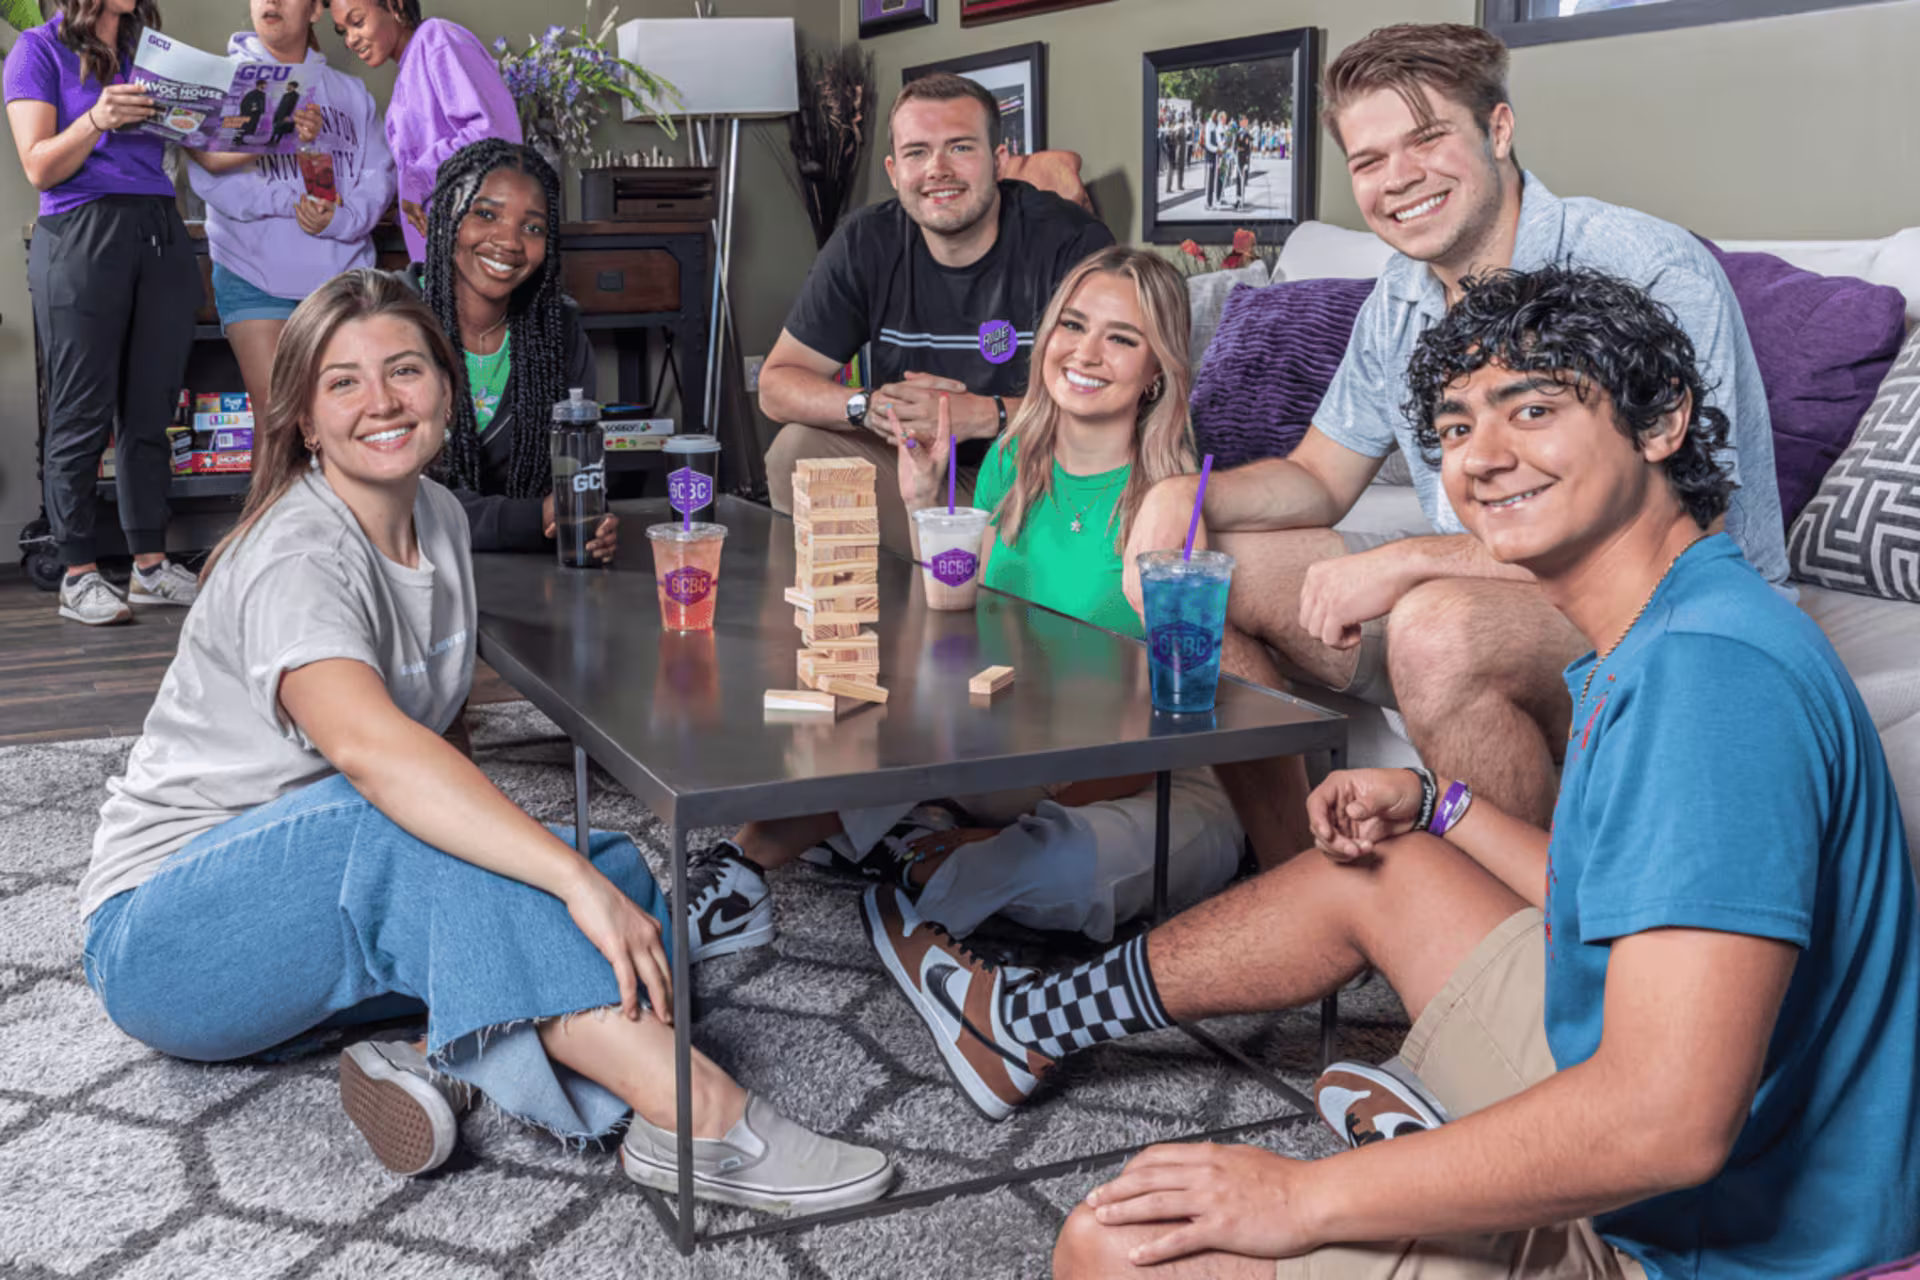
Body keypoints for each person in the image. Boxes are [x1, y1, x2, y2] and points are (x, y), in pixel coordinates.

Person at [875, 265, 1920, 1278]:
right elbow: (1605, 897)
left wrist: (1301, 1197)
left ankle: (1449, 1143)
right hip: (1675, 1110)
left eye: (1534, 408)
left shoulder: (1708, 679)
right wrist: (1442, 802)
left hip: (1704, 1239)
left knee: (1118, 1248)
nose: (1485, 455)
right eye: (1458, 426)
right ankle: (1025, 1024)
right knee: (1384, 862)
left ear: (1662, 424)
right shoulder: (1669, 619)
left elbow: (1665, 1124)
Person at [78, 269, 896, 1209]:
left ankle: (443, 1048)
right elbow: (379, 757)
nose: (381, 402)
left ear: (445, 387)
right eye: (343, 382)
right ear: (303, 418)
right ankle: (697, 1116)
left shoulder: (433, 517)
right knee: (458, 846)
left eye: (406, 370)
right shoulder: (297, 557)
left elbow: (446, 745)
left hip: (316, 935)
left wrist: (569, 875)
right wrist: (561, 884)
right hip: (170, 942)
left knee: (618, 872)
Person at [1123, 23, 1789, 864]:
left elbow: (1684, 526)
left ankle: (1528, 949)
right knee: (1202, 573)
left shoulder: (1640, 267)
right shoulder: (1399, 295)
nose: (1398, 179)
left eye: (1428, 139)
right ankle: (1312, 878)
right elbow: (1316, 478)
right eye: (1368, 161)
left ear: (1499, 130)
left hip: (1673, 606)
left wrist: (1406, 562)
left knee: (1435, 624)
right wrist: (1179, 495)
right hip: (1499, 568)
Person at [679, 248, 1246, 974]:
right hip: (1016, 747)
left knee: (1064, 869)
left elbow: (1176, 720)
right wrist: (923, 505)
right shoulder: (1014, 460)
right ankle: (738, 873)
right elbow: (960, 625)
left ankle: (921, 853)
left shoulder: (1172, 500)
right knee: (856, 707)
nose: (1086, 352)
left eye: (1122, 338)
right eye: (1073, 325)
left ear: (1158, 369)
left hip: (1138, 778)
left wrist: (1033, 793)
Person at [759, 72, 1115, 556]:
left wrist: (986, 415)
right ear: (893, 169)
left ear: (999, 161)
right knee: (795, 453)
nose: (937, 170)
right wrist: (870, 409)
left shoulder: (1070, 242)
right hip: (913, 471)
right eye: (917, 152)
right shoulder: (865, 241)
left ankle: (981, 580)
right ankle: (864, 609)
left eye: (961, 148)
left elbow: (1119, 399)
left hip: (1035, 478)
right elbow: (777, 385)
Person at [4, 0, 205, 625]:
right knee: (80, 412)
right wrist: (96, 116)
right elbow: (38, 165)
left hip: (160, 231)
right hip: (81, 234)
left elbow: (197, 146)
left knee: (150, 410)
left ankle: (149, 566)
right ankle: (78, 573)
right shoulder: (35, 51)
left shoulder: (153, 54)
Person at [189, 0, 394, 440]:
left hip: (343, 283)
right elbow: (210, 180)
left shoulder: (352, 94)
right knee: (277, 423)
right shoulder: (219, 84)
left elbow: (378, 178)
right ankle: (268, 514)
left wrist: (338, 218)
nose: (271, 1)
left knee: (349, 421)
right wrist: (292, 200)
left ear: (317, 9)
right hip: (254, 278)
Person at [417, 138, 616, 559]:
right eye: (486, 214)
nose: (509, 241)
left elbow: (574, 479)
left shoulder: (557, 333)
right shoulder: (391, 323)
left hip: (527, 575)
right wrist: (533, 518)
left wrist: (586, 520)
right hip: (407, 568)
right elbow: (396, 501)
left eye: (532, 228)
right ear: (448, 217)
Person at [325, 0, 519, 264]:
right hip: (439, 260)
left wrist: (416, 181)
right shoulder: (408, 71)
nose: (350, 40)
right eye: (342, 31)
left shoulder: (437, 38)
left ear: (396, 6)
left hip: (475, 254)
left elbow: (492, 134)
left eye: (357, 22)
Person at [267, 78, 302, 146]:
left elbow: (292, 106)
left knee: (281, 127)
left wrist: (288, 115)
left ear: (292, 86)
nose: (287, 87)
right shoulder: (285, 95)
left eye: (288, 86)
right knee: (276, 126)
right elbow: (281, 104)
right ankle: (272, 140)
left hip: (285, 114)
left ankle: (276, 141)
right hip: (279, 112)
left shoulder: (295, 95)